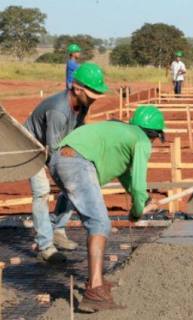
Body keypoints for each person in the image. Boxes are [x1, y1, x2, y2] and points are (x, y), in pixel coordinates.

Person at [49, 106, 165, 311]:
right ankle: (95, 291)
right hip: (77, 162)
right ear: (154, 134)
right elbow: (138, 183)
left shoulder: (120, 132)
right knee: (100, 223)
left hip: (59, 158)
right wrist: (136, 212)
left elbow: (126, 176)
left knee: (97, 221)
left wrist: (144, 201)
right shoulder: (141, 140)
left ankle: (96, 281)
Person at [24, 62, 108, 262]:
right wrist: (65, 176)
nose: (93, 99)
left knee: (74, 181)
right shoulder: (59, 110)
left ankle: (58, 230)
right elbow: (53, 152)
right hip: (32, 146)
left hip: (54, 144)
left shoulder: (83, 105)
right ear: (77, 89)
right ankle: (45, 246)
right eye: (91, 94)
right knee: (42, 191)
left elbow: (76, 133)